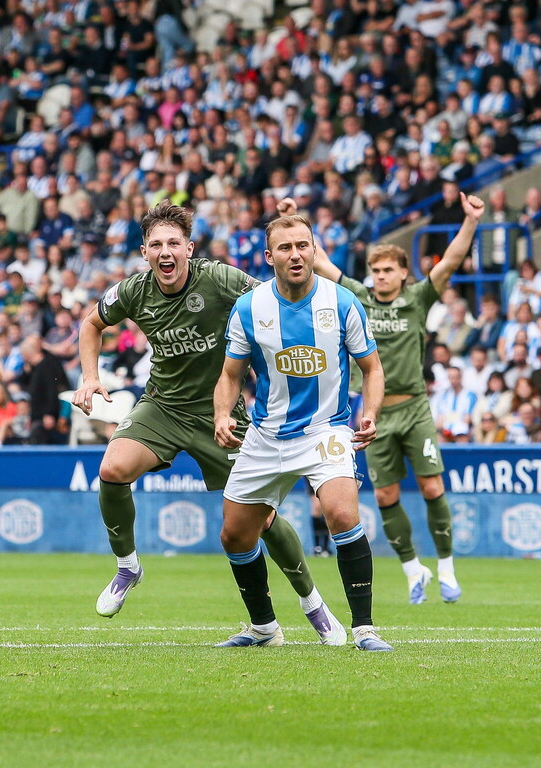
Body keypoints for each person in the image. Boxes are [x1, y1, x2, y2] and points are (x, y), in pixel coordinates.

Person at [72, 200, 345, 646]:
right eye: (156, 244)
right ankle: (128, 568)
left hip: (222, 414)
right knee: (111, 470)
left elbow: (275, 297)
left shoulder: (218, 279)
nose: (165, 252)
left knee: (263, 520)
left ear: (189, 248)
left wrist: (320, 278)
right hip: (162, 407)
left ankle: (314, 605)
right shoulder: (133, 291)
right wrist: (90, 377)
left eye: (173, 243)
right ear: (144, 252)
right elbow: (90, 324)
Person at [213, 211, 391, 652]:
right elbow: (230, 375)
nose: (296, 255)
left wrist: (368, 412)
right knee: (235, 535)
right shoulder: (250, 307)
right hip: (266, 435)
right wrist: (221, 415)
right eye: (286, 248)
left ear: (314, 250)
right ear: (270, 256)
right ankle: (264, 628)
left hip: (324, 430)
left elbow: (372, 368)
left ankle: (365, 629)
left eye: (303, 246)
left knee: (343, 514)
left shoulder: (343, 302)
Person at [298, 192, 486, 604]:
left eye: (388, 270)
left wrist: (470, 221)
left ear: (404, 274)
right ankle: (412, 569)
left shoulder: (418, 298)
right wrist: (297, 222)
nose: (380, 276)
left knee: (433, 486)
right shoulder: (359, 298)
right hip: (373, 412)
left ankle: (447, 568)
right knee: (385, 496)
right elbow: (320, 260)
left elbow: (451, 260)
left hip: (415, 407)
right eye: (376, 270)